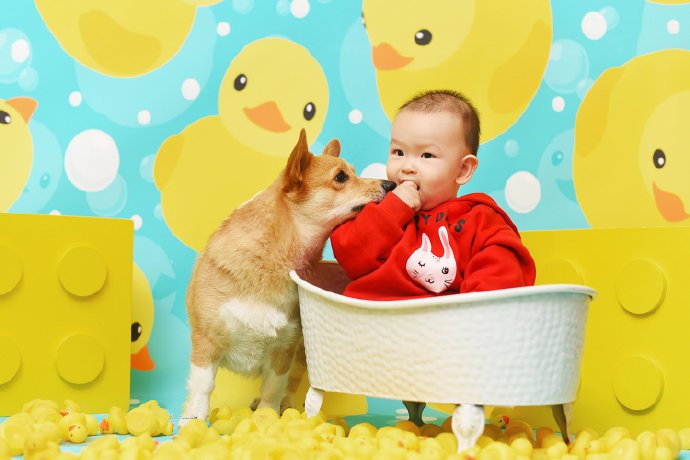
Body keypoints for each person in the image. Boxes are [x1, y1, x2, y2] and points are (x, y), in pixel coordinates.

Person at [330, 89, 536, 426]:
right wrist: (394, 209)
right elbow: (351, 255)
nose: (407, 167)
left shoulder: (478, 219)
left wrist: (474, 324)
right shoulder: (377, 211)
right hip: (371, 337)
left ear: (463, 170)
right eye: (398, 152)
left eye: (426, 155)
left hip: (444, 343)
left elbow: (502, 269)